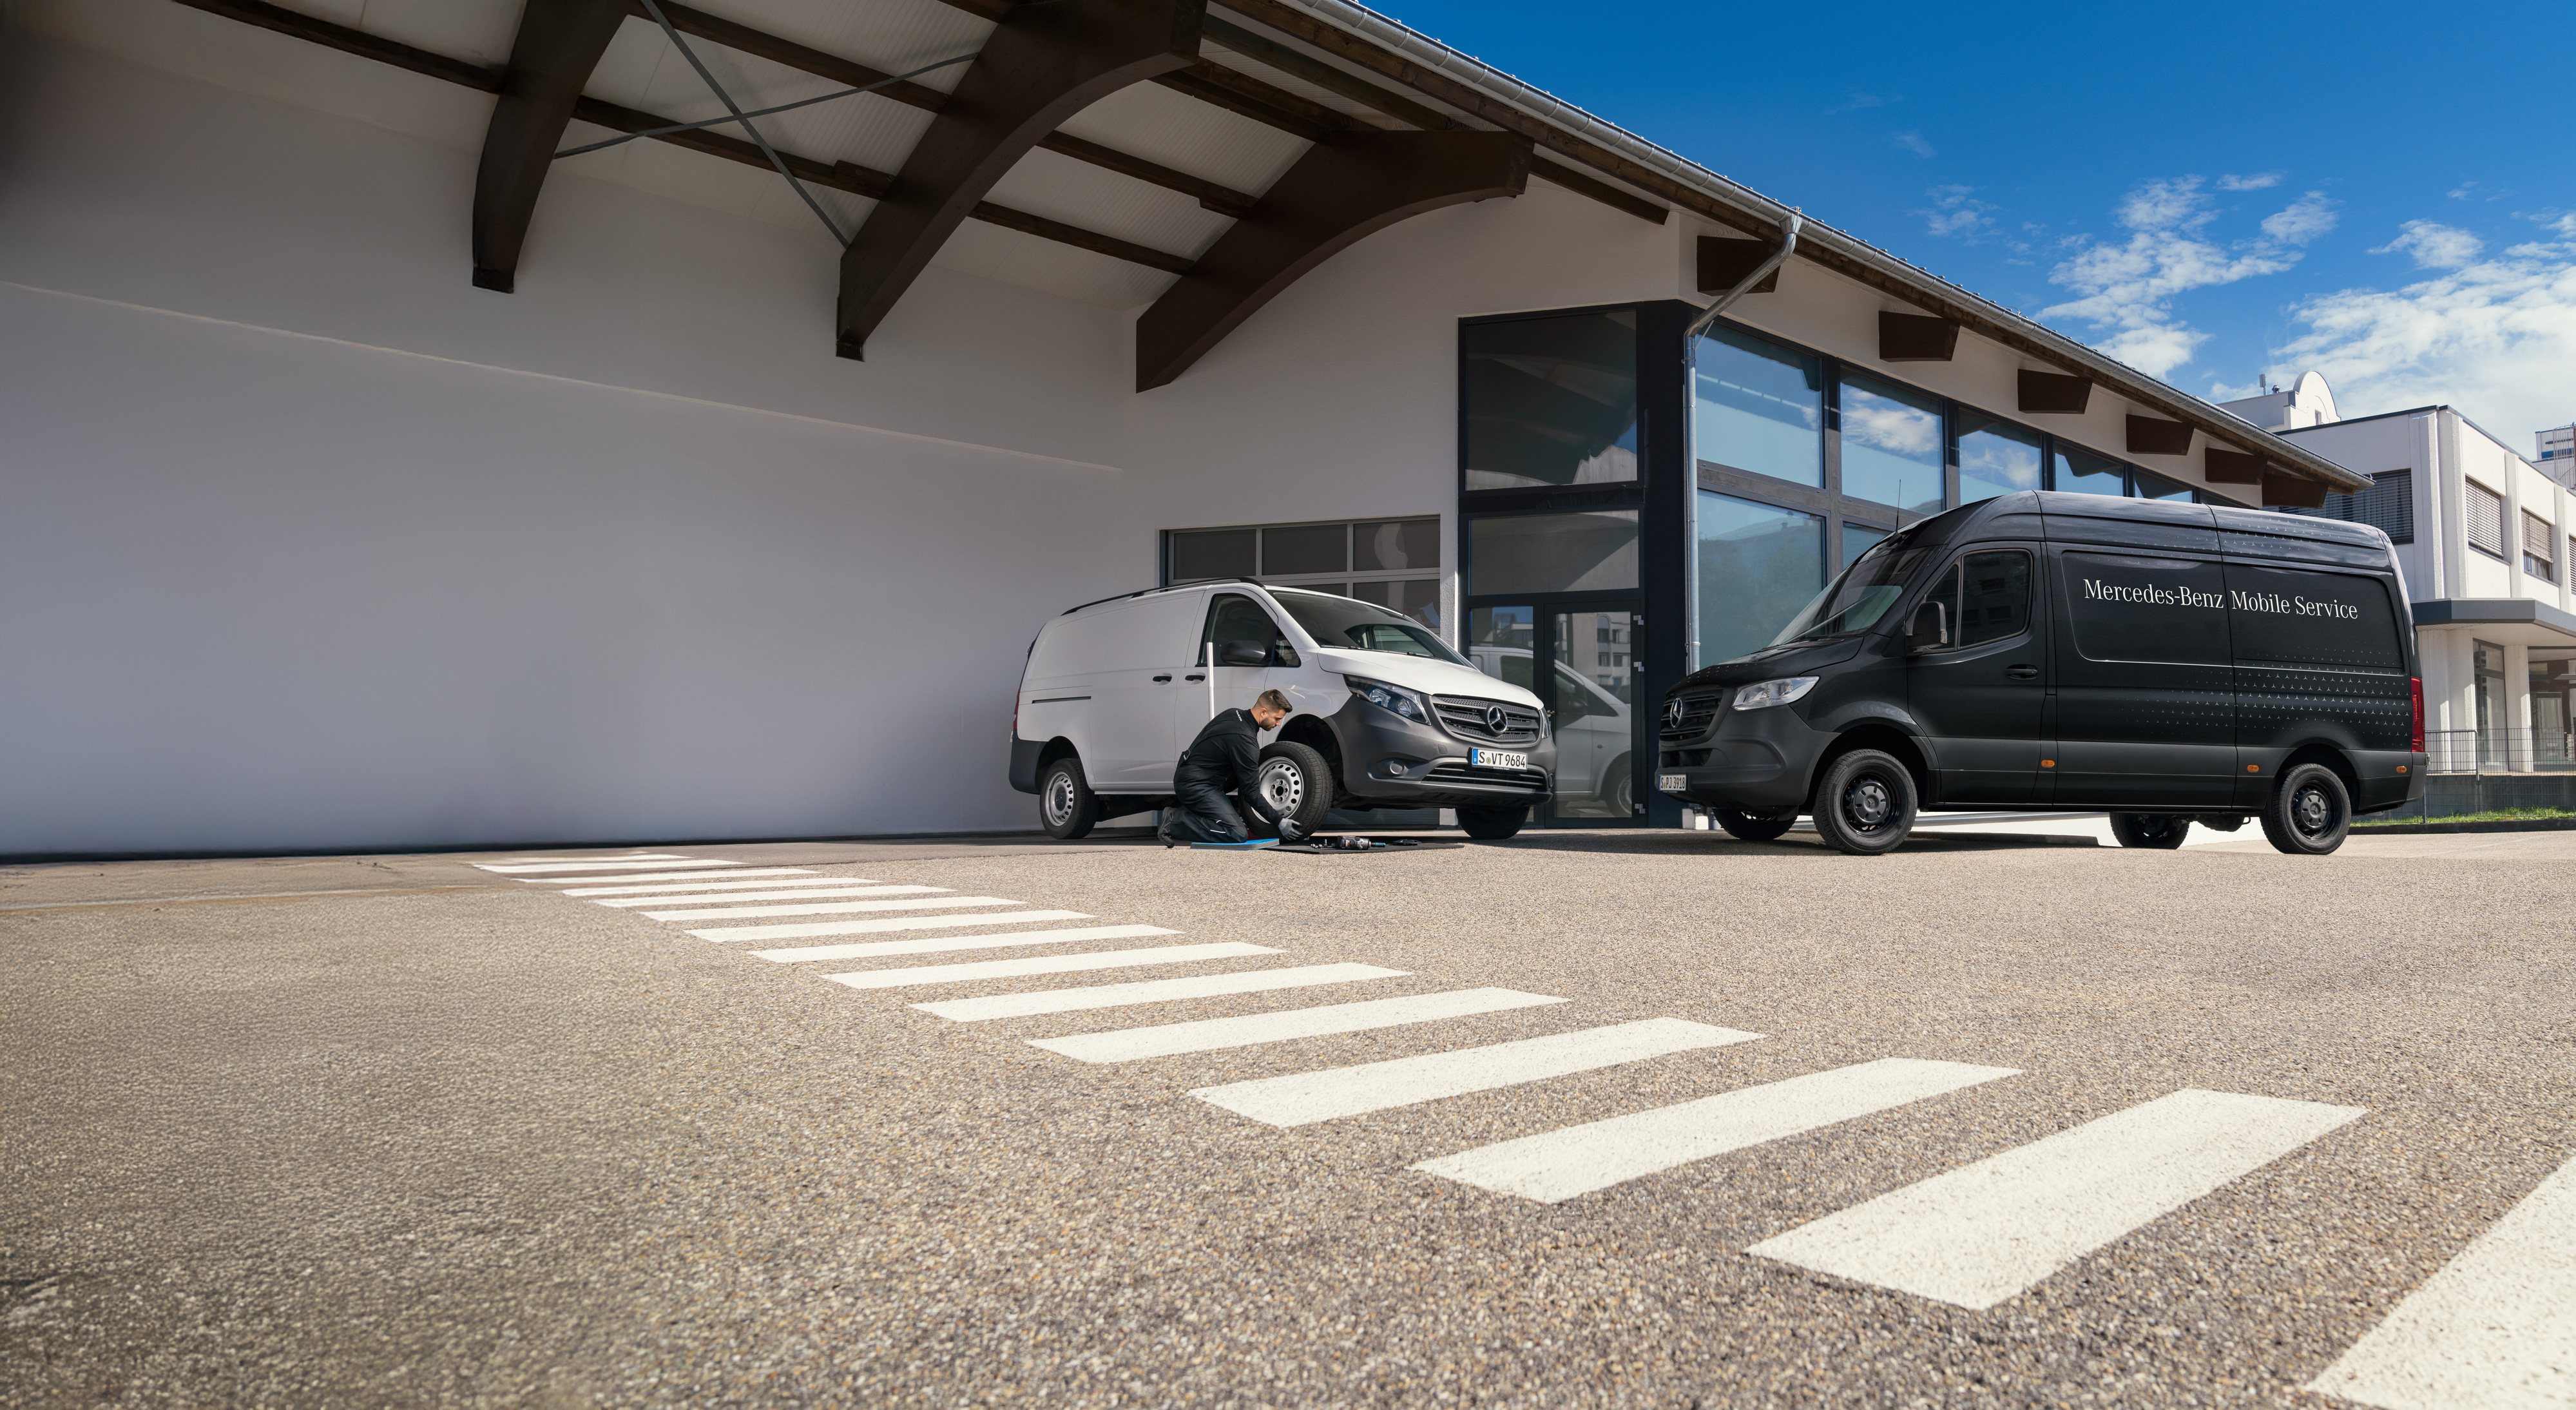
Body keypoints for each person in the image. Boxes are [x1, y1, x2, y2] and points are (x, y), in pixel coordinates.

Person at [1160, 690, 1306, 847]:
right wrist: (1279, 821)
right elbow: (1251, 794)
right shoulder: (1245, 742)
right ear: (1264, 712)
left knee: (1249, 771)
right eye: (1277, 718)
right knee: (1236, 833)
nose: (1278, 724)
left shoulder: (1233, 713)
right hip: (1196, 785)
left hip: (1195, 774)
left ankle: (1217, 813)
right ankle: (1174, 820)